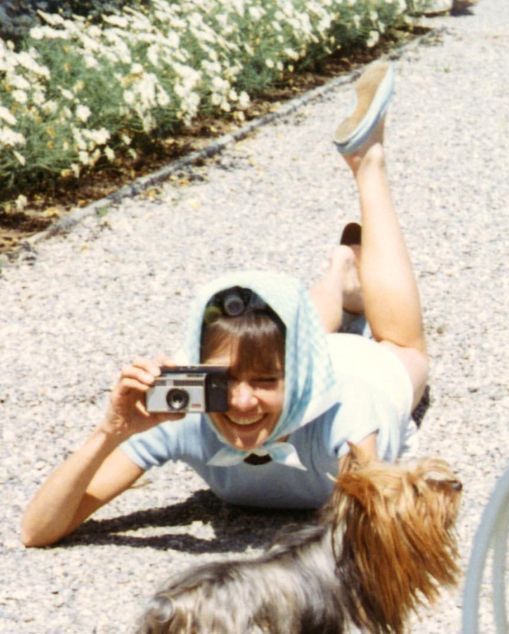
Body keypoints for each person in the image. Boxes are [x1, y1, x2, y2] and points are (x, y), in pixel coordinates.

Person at [21, 61, 429, 548]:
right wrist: (111, 432)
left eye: (262, 384)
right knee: (262, 334)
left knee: (402, 347)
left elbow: (376, 531)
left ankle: (369, 163)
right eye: (222, 379)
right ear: (198, 370)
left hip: (354, 373)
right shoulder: (187, 413)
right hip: (290, 355)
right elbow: (37, 530)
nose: (239, 402)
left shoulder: (345, 412)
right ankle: (338, 275)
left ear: (297, 378)